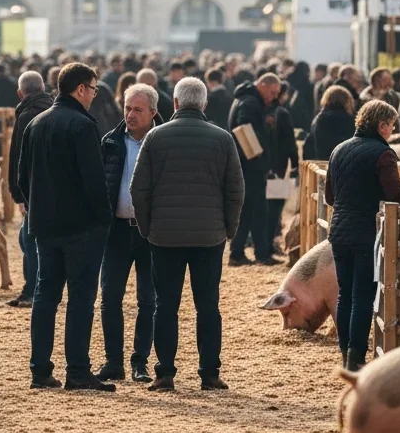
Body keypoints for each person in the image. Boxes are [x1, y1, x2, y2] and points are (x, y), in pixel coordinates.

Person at [131, 77, 244, 391]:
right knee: (208, 306)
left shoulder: (155, 136)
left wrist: (146, 227)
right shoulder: (222, 139)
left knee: (166, 305)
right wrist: (229, 229)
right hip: (209, 236)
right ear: (204, 104)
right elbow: (236, 190)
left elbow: (138, 189)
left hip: (164, 237)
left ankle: (165, 372)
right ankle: (210, 373)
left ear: (176, 104)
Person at [16, 62, 114, 392]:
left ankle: (40, 370)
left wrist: (38, 209)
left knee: (45, 296)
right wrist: (105, 218)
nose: (94, 95)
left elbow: (21, 177)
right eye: (94, 88)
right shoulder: (84, 126)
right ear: (80, 89)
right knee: (81, 298)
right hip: (82, 227)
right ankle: (78, 370)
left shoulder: (36, 123)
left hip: (44, 226)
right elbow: (94, 181)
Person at [326, 99, 400, 369]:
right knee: (362, 295)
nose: (392, 130)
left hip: (339, 230)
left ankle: (346, 353)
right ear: (381, 125)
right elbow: (395, 195)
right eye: (391, 125)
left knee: (345, 293)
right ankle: (356, 355)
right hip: (366, 231)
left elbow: (330, 196)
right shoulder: (384, 154)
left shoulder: (339, 150)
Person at [97, 84, 159, 384]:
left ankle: (140, 362)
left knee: (148, 300)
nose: (130, 114)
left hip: (151, 233)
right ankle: (113, 361)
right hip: (116, 231)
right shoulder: (110, 141)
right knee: (110, 297)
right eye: (127, 108)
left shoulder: (162, 142)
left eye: (137, 109)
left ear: (153, 112)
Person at [6, 71, 54, 308]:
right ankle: (40, 288)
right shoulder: (54, 110)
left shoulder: (26, 115)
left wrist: (18, 193)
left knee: (29, 240)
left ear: (20, 93)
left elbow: (18, 157)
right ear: (43, 87)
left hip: (33, 190)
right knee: (31, 240)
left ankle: (33, 291)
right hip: (53, 188)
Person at [228, 72, 283, 266]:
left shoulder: (247, 99)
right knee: (257, 210)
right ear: (262, 85)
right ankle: (258, 253)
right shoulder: (250, 103)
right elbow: (243, 127)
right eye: (273, 92)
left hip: (246, 165)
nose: (274, 96)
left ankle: (242, 252)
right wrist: (257, 153)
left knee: (250, 210)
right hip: (251, 167)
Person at [266, 80, 299, 254]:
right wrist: (295, 163)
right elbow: (290, 142)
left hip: (265, 166)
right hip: (280, 167)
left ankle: (265, 242)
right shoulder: (283, 114)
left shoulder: (265, 112)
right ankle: (270, 242)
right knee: (276, 207)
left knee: (267, 206)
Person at [302, 85, 356, 161]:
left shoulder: (319, 118)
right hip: (344, 164)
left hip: (322, 165)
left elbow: (309, 145)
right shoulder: (350, 120)